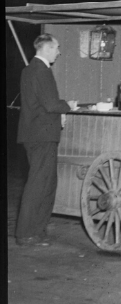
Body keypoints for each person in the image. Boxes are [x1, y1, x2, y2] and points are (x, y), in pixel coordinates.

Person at [15, 34, 78, 247]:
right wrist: (68, 105)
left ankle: (36, 231)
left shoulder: (29, 69)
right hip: (41, 136)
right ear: (47, 48)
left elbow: (41, 104)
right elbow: (51, 104)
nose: (59, 52)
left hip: (35, 134)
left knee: (45, 184)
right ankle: (26, 234)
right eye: (57, 48)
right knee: (39, 185)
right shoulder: (41, 71)